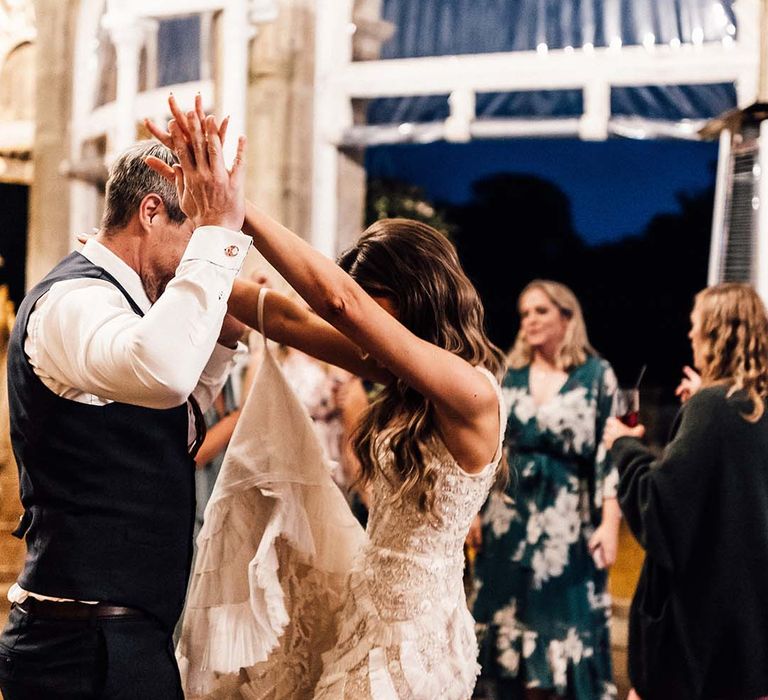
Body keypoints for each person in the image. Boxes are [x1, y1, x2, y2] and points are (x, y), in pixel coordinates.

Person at [147, 96, 506, 699]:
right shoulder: (400, 377)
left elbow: (339, 303)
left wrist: (243, 211)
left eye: (375, 299)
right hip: (360, 616)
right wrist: (175, 254)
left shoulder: (471, 391)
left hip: (412, 642)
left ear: (416, 294)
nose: (356, 327)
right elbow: (282, 315)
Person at [0, 139, 251, 699]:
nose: (197, 259)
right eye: (194, 237)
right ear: (151, 211)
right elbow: (161, 372)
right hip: (78, 652)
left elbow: (165, 430)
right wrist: (221, 235)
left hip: (122, 642)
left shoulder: (131, 308)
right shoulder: (74, 300)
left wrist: (219, 347)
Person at [604, 283, 768, 700]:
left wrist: (624, 446)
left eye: (695, 326)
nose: (690, 335)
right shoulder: (752, 403)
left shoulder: (712, 408)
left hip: (699, 637)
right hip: (749, 639)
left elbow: (659, 508)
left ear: (716, 333)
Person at [471, 280, 620, 700]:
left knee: (557, 625)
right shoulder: (507, 374)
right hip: (506, 519)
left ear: (567, 317)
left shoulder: (596, 375)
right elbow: (488, 449)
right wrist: (473, 512)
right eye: (524, 313)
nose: (530, 320)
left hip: (565, 527)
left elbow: (608, 455)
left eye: (541, 311)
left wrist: (609, 524)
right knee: (502, 634)